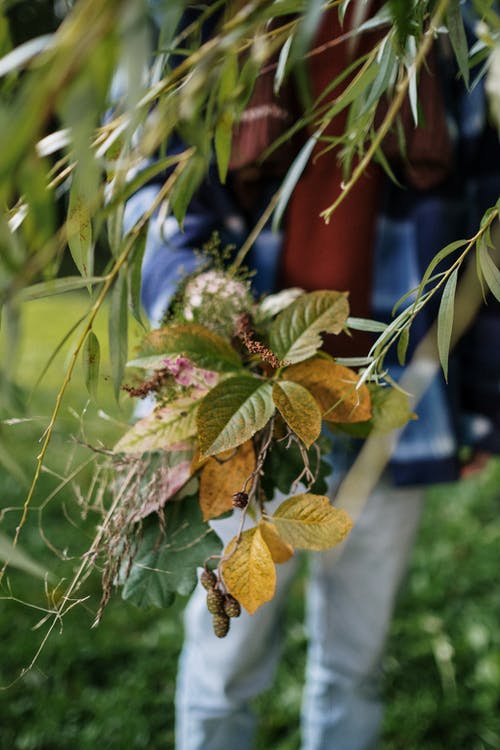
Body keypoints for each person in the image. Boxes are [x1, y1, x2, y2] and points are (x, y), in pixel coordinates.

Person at [123, 3, 500, 748]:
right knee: (226, 656)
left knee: (358, 657)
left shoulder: (444, 25)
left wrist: (485, 404)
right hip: (245, 405)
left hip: (391, 394)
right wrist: (195, 288)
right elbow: (154, 187)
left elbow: (485, 223)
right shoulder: (210, 21)